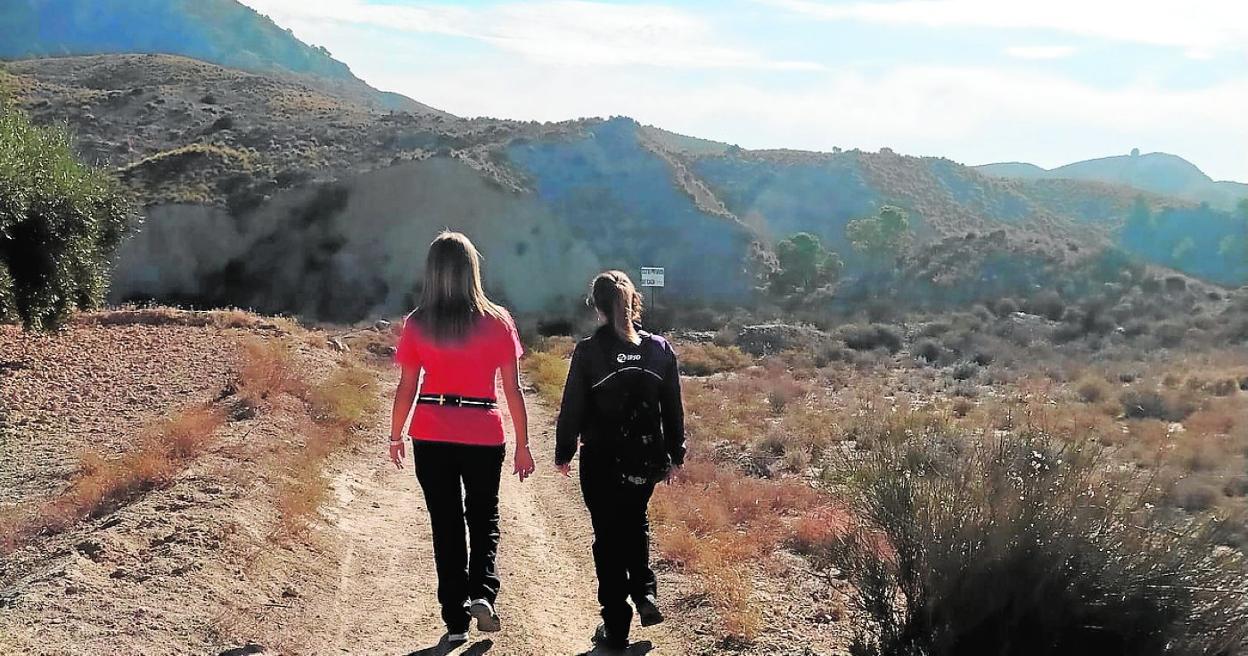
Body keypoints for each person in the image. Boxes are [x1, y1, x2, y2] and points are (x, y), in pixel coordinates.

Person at [389, 231, 536, 645]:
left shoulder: (418, 322)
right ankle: (483, 593)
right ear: (473, 268)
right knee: (484, 517)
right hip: (483, 430)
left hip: (431, 430)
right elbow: (513, 389)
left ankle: (454, 620)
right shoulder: (498, 320)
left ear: (432, 272)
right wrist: (523, 445)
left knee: (447, 523)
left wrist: (395, 435)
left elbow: (406, 387)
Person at [555, 270, 686, 651]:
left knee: (608, 538)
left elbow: (572, 409)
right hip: (645, 459)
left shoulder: (589, 351)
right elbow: (673, 410)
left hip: (600, 460)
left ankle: (616, 626)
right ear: (633, 303)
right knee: (635, 522)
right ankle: (645, 593)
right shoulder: (659, 350)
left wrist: (564, 453)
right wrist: (676, 454)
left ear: (596, 306)